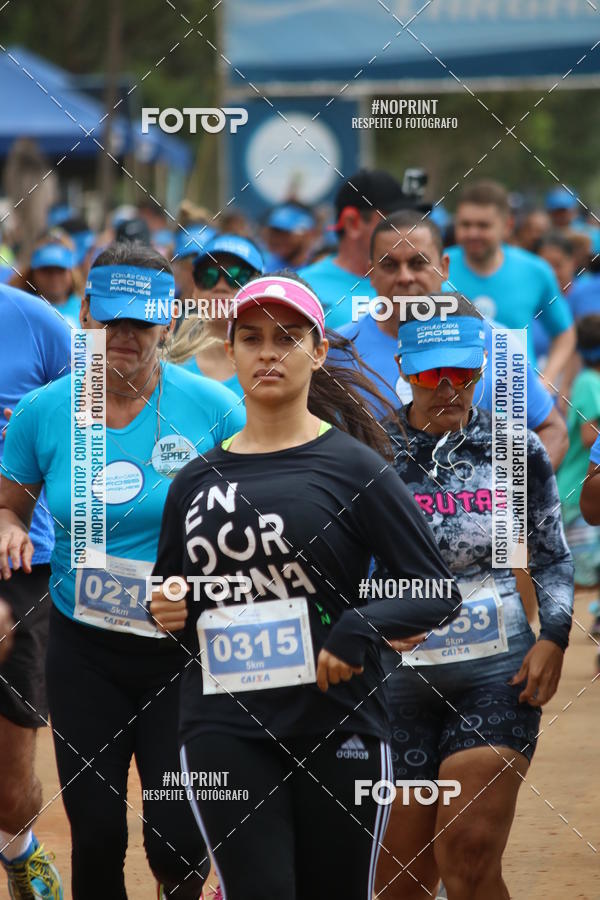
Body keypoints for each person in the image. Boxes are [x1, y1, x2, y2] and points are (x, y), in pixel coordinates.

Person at [149, 273, 464, 900]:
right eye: (252, 338)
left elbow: (436, 589)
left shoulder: (355, 466)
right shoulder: (194, 480)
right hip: (224, 722)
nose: (269, 352)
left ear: (317, 352)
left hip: (338, 719)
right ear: (231, 349)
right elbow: (169, 592)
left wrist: (359, 626)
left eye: (288, 338)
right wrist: (167, 604)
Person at [0, 243, 246, 899]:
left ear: (169, 320)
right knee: (97, 832)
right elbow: (11, 505)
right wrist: (8, 529)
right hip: (83, 649)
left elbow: (259, 514)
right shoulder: (44, 411)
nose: (125, 337)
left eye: (141, 322)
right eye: (111, 320)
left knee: (176, 835)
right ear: (85, 313)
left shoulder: (215, 409)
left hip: (184, 651)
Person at [373, 296, 574, 900]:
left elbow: (552, 555)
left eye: (463, 372)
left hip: (497, 672)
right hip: (392, 678)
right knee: (398, 882)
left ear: (482, 370)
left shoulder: (516, 451)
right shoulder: (368, 453)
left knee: (468, 856)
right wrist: (365, 623)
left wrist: (554, 638)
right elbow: (336, 568)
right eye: (434, 373)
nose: (449, 387)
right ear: (406, 370)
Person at [336, 210, 568, 470]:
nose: (404, 277)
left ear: (444, 267)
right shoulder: (337, 349)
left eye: (418, 263)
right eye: (389, 265)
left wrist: (510, 499)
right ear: (370, 271)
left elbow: (551, 429)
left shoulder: (496, 342)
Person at [0, 282, 70, 898]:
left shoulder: (33, 320)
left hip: (22, 562)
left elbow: (101, 405)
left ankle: (19, 848)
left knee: (11, 793)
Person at [447, 180, 575, 385]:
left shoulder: (535, 270)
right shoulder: (437, 267)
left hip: (516, 403)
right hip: (453, 400)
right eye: (465, 225)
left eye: (483, 225)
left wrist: (547, 380)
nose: (472, 233)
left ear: (507, 225)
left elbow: (564, 333)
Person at [299, 169, 406, 329]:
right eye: (393, 220)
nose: (408, 229)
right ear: (352, 223)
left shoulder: (429, 283)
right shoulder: (303, 289)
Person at [168, 234, 264, 397]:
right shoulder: (169, 363)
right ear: (195, 291)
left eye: (237, 277)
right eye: (208, 276)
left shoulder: (274, 365)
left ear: (261, 286)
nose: (220, 286)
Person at [9, 232, 84, 329]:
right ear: (32, 274)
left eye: (60, 270)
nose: (54, 276)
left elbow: (96, 344)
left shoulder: (87, 311)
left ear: (72, 273)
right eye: (46, 270)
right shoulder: (19, 309)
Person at [262, 202, 316, 271]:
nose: (279, 239)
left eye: (287, 233)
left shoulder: (317, 266)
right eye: (276, 232)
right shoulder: (264, 265)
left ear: (307, 234)